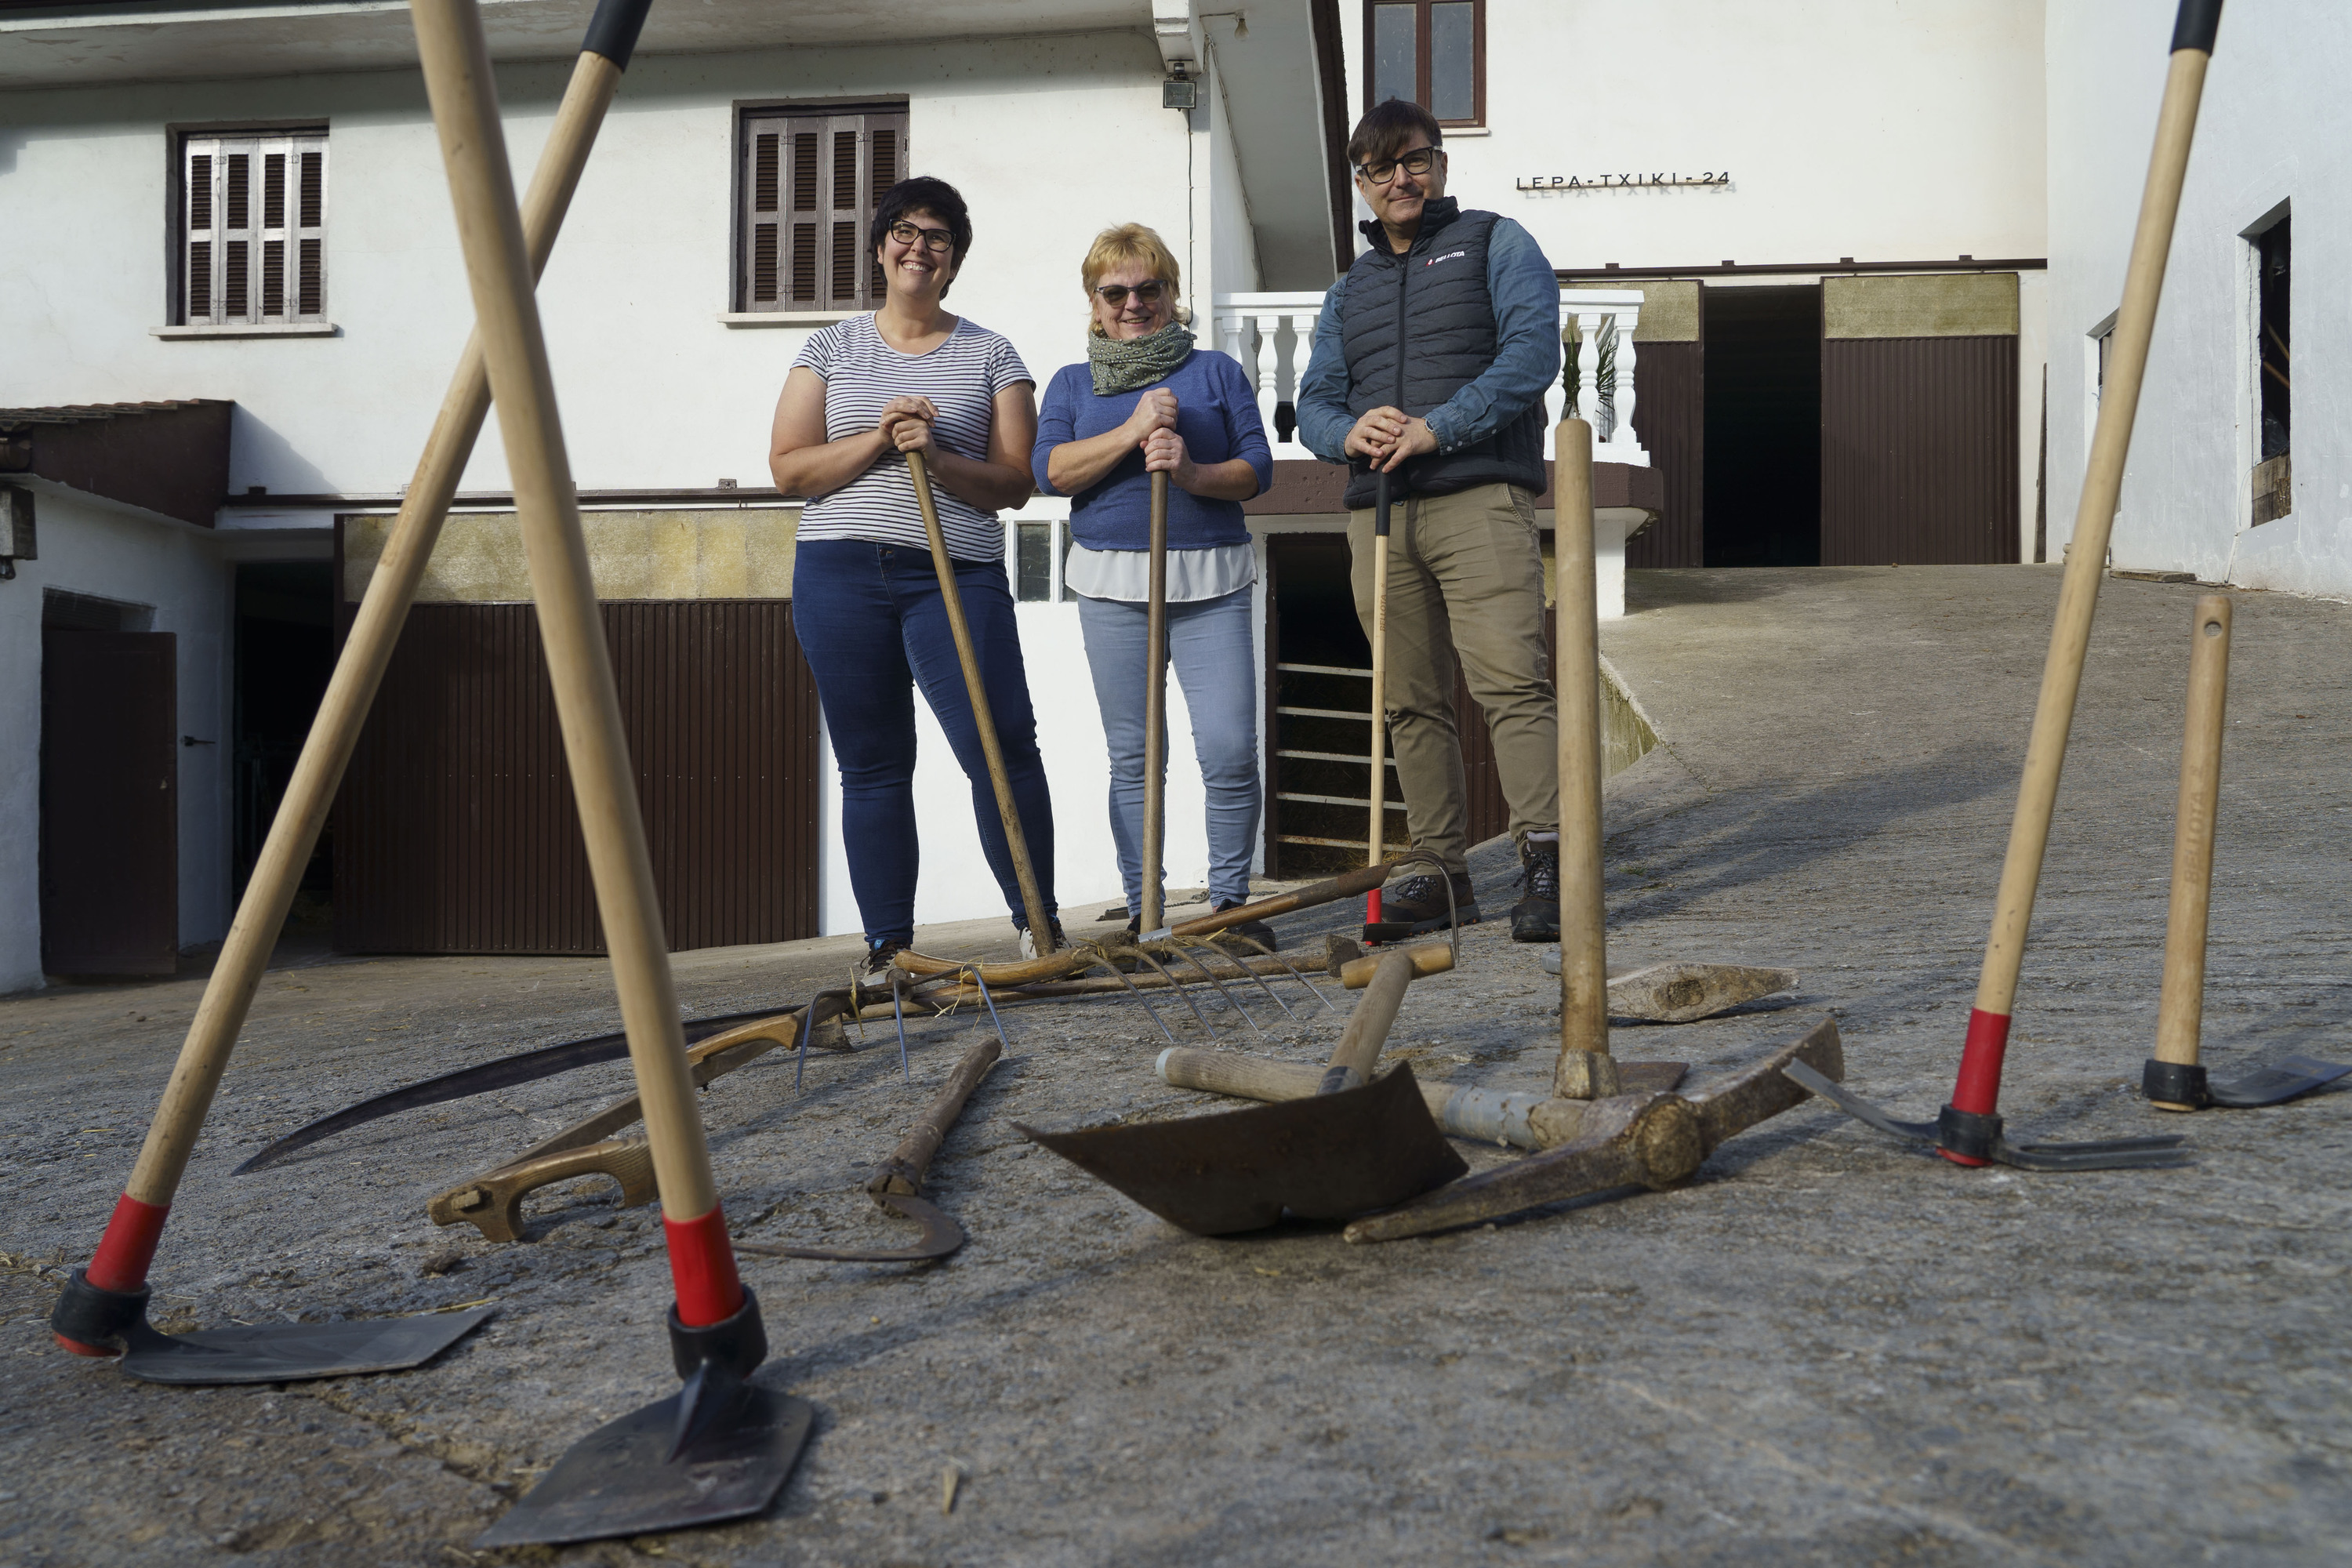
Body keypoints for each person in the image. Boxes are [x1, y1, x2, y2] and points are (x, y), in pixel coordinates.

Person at [768, 176, 1061, 975]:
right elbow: (789, 470)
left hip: (953, 572)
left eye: (936, 236)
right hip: (839, 571)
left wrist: (934, 455)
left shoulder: (992, 353)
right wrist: (877, 437)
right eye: (903, 230)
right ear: (879, 246)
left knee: (999, 743)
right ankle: (887, 946)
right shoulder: (830, 347)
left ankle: (1039, 924)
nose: (918, 246)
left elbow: (1015, 481)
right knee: (872, 760)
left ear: (954, 259)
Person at [1295, 98, 1566, 942]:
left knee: (1510, 683)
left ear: (1440, 165)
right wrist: (1348, 430)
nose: (1400, 179)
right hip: (1379, 513)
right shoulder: (1349, 291)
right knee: (1409, 700)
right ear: (1362, 186)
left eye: (1414, 160)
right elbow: (1312, 405)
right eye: (1380, 169)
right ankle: (1443, 873)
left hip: (1479, 495)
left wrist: (1436, 426)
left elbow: (1532, 354)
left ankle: (1551, 859)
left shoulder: (1497, 241)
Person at [1034, 224, 1278, 949]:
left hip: (1212, 583)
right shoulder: (1072, 384)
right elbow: (1049, 473)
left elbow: (1257, 470)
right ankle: (1146, 911)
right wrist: (1132, 430)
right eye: (1116, 292)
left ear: (1173, 296)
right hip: (1112, 588)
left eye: (1150, 289)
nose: (1133, 303)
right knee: (1137, 758)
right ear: (1094, 301)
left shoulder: (1216, 374)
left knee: (1231, 749)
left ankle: (1231, 909)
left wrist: (1194, 472)